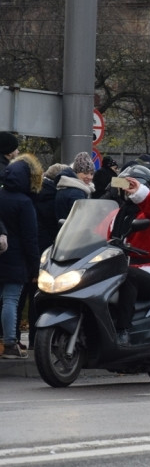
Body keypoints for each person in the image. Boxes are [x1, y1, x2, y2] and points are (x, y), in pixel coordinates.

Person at [108, 165, 150, 345]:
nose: (126, 192)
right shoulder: (118, 214)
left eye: (129, 187)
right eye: (123, 187)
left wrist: (140, 192)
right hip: (118, 267)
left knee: (128, 276)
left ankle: (123, 330)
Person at [0, 153, 42, 358]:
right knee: (10, 299)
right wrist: (35, 267)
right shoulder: (25, 202)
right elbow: (30, 239)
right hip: (16, 259)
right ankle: (9, 343)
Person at [54, 152, 95, 224]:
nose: (90, 177)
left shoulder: (66, 186)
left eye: (91, 173)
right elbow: (81, 221)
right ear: (76, 172)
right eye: (85, 173)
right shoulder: (76, 193)